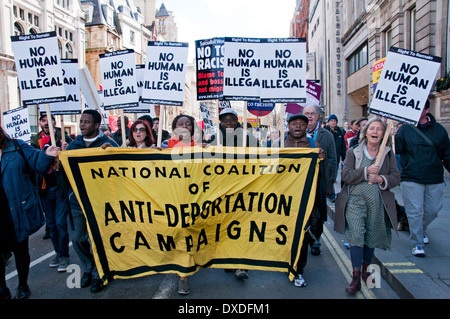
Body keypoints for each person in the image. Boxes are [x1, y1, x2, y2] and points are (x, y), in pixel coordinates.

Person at [334, 118, 400, 295]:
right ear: (365, 132)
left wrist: (380, 179)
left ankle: (366, 271)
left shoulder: (387, 153)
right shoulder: (353, 151)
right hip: (355, 201)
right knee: (356, 235)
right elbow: (346, 176)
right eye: (372, 128)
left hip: (377, 201)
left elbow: (395, 177)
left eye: (379, 129)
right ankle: (355, 278)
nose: (375, 131)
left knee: (371, 237)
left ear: (383, 134)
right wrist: (365, 172)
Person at [0, 127, 59, 299]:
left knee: (20, 249)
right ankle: (3, 289)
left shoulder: (16, 147)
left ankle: (23, 286)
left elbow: (38, 163)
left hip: (15, 210)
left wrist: (46, 152)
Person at [65, 109, 118, 293]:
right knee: (78, 238)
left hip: (99, 203)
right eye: (81, 121)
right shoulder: (73, 146)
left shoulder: (108, 144)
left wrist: (110, 154)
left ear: (96, 125)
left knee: (98, 240)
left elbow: (120, 167)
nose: (82, 125)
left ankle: (97, 274)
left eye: (87, 122)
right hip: (77, 203)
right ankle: (88, 267)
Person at [273, 114, 326, 287]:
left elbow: (320, 173)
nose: (297, 127)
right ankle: (286, 261)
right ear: (288, 126)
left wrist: (321, 159)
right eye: (294, 124)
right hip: (282, 199)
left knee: (301, 235)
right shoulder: (278, 144)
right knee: (284, 234)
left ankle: (298, 270)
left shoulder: (314, 145)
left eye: (301, 124)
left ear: (306, 127)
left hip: (304, 200)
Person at [395, 100, 450, 257]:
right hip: (411, 177)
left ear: (427, 110)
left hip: (434, 177)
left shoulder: (439, 130)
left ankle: (418, 228)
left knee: (433, 210)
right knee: (415, 211)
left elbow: (447, 153)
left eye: (420, 108)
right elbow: (397, 150)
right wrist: (392, 135)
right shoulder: (405, 129)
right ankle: (417, 242)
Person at [31, 115, 72, 272]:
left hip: (60, 187)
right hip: (44, 189)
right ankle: (58, 252)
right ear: (40, 123)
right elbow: (34, 162)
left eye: (48, 120)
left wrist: (66, 151)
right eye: (43, 121)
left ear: (54, 122)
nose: (46, 124)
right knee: (53, 225)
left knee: (61, 223)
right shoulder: (35, 140)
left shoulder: (62, 136)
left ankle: (64, 256)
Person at [302, 105, 336, 254]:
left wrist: (331, 182)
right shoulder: (294, 133)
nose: (309, 116)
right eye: (307, 114)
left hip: (320, 180)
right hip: (301, 181)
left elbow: (333, 159)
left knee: (319, 212)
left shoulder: (326, 135)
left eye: (312, 114)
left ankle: (316, 240)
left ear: (317, 116)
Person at [325, 114, 346, 197]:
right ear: (328, 122)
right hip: (327, 157)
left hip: (336, 157)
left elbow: (342, 145)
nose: (333, 122)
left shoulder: (340, 132)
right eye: (331, 121)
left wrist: (344, 157)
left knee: (333, 174)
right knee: (328, 174)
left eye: (334, 121)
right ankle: (331, 192)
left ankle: (330, 190)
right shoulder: (325, 131)